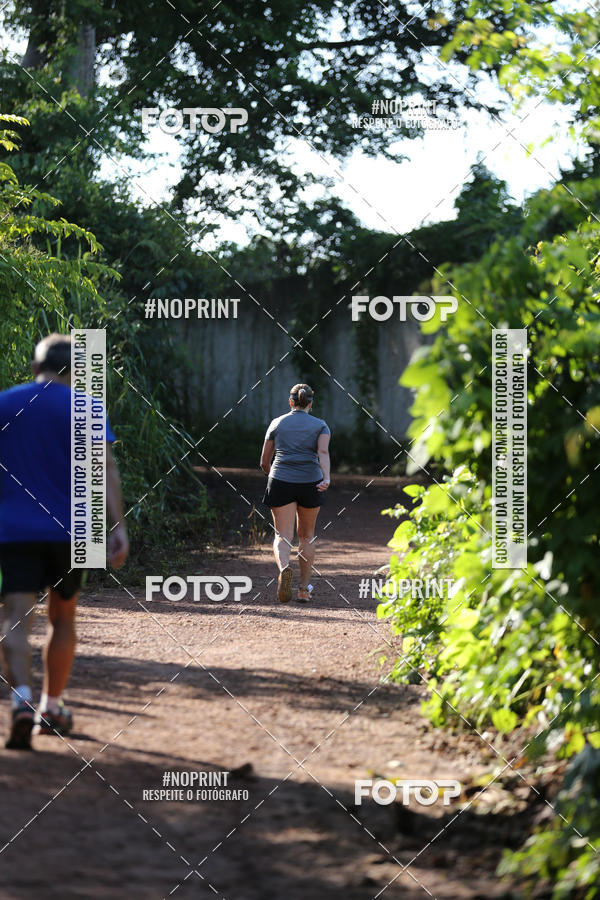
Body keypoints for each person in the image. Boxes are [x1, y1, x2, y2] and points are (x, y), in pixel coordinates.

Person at [0, 333, 129, 750]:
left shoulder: (5, 403)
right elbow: (105, 467)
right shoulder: (88, 407)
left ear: (35, 367)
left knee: (15, 616)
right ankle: (51, 707)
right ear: (74, 371)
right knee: (63, 616)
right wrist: (117, 527)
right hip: (74, 530)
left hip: (13, 529)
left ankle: (21, 701)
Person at [260, 383, 330, 603]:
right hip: (311, 482)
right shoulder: (321, 425)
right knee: (307, 536)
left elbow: (264, 461)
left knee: (282, 535)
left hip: (281, 480)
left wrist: (274, 477)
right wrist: (326, 478)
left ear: (291, 402)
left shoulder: (277, 423)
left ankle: (284, 570)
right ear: (310, 403)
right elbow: (323, 452)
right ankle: (303, 590)